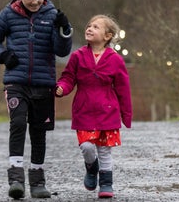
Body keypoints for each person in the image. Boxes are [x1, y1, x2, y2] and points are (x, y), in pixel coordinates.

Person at [0, 0, 73, 199]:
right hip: (16, 81)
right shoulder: (8, 14)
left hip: (43, 83)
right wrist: (3, 56)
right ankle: (15, 178)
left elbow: (62, 51)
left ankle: (37, 179)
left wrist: (64, 30)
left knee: (39, 131)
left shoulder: (52, 14)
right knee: (17, 123)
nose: (34, 1)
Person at [55, 14, 132, 198]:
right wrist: (61, 88)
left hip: (108, 112)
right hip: (84, 110)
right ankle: (91, 167)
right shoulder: (78, 56)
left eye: (96, 27)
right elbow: (68, 78)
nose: (89, 28)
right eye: (89, 25)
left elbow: (123, 89)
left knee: (105, 150)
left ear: (107, 36)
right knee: (87, 147)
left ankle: (106, 184)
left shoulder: (115, 60)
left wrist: (126, 115)